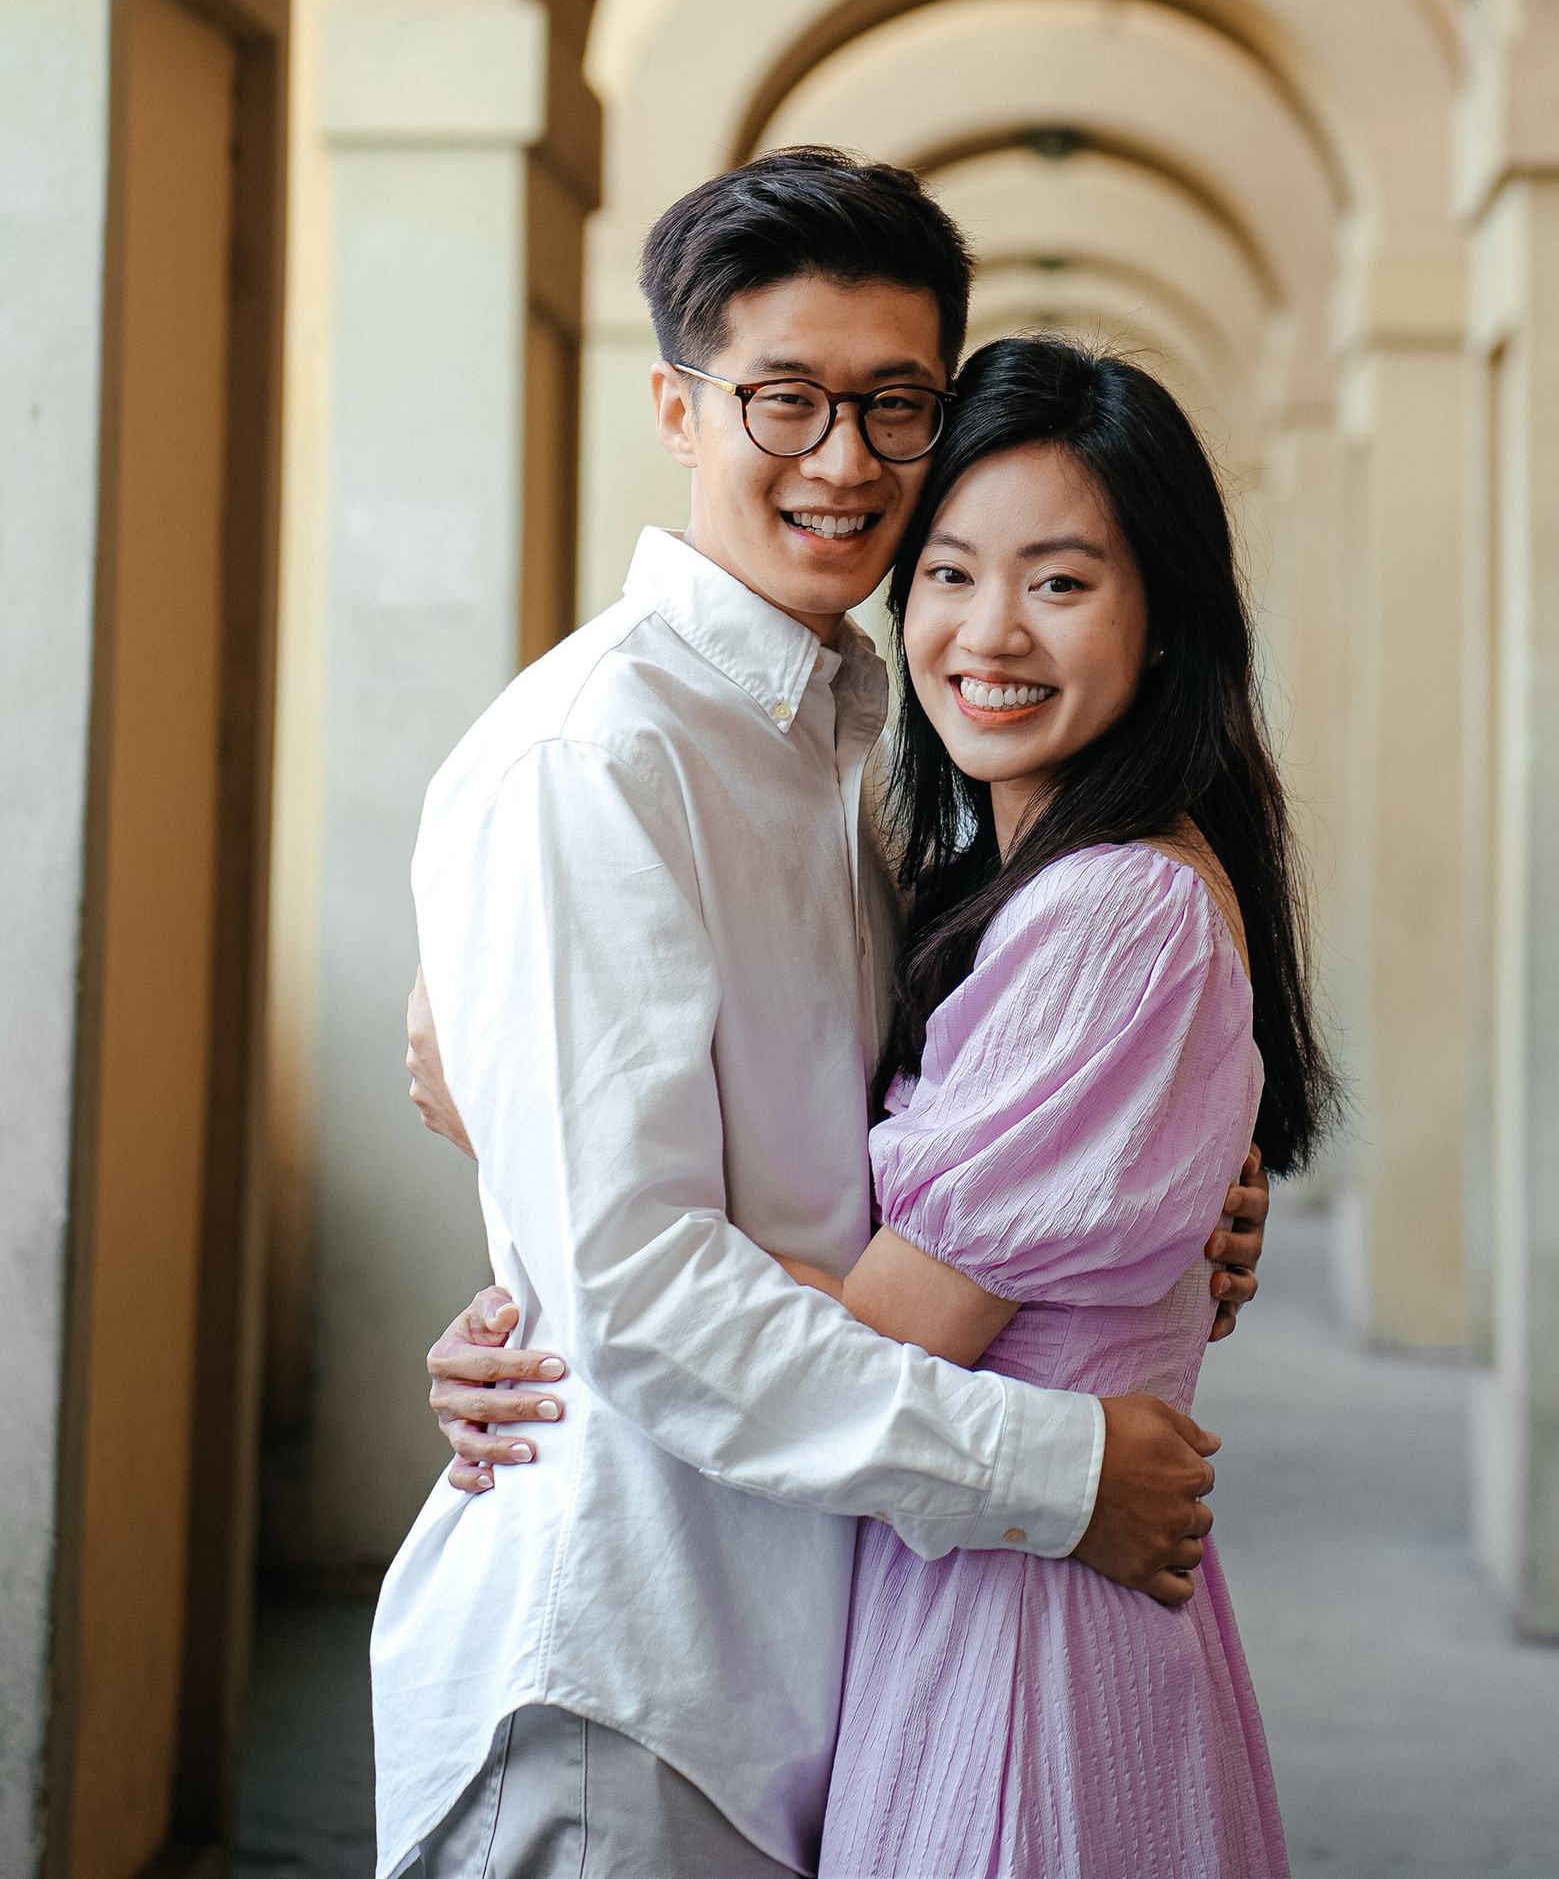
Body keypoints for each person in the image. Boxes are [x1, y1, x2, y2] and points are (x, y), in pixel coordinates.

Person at [373, 152, 1267, 1879]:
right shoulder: (595, 759)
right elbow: (638, 1287)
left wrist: (1168, 1202)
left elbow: (795, 1175)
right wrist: (1057, 1464)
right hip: (635, 1665)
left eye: (894, 403)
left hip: (814, 1667)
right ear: (679, 408)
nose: (844, 459)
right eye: (784, 398)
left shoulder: (841, 760)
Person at [801, 331, 1331, 1876]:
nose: (990, 631)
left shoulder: (1115, 912)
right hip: (1008, 1583)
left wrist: (576, 1290)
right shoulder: (1019, 880)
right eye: (950, 573)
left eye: (1060, 580)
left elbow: (880, 1344)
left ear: (1165, 622)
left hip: (1019, 1631)